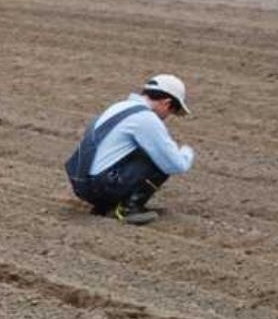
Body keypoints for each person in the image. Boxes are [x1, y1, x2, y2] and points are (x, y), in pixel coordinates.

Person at [65, 74, 195, 226]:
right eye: (171, 111)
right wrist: (186, 152)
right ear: (167, 103)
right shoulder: (146, 118)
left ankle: (105, 206)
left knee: (137, 151)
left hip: (81, 183)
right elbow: (175, 165)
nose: (167, 116)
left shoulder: (119, 107)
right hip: (100, 186)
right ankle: (128, 209)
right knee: (160, 157)